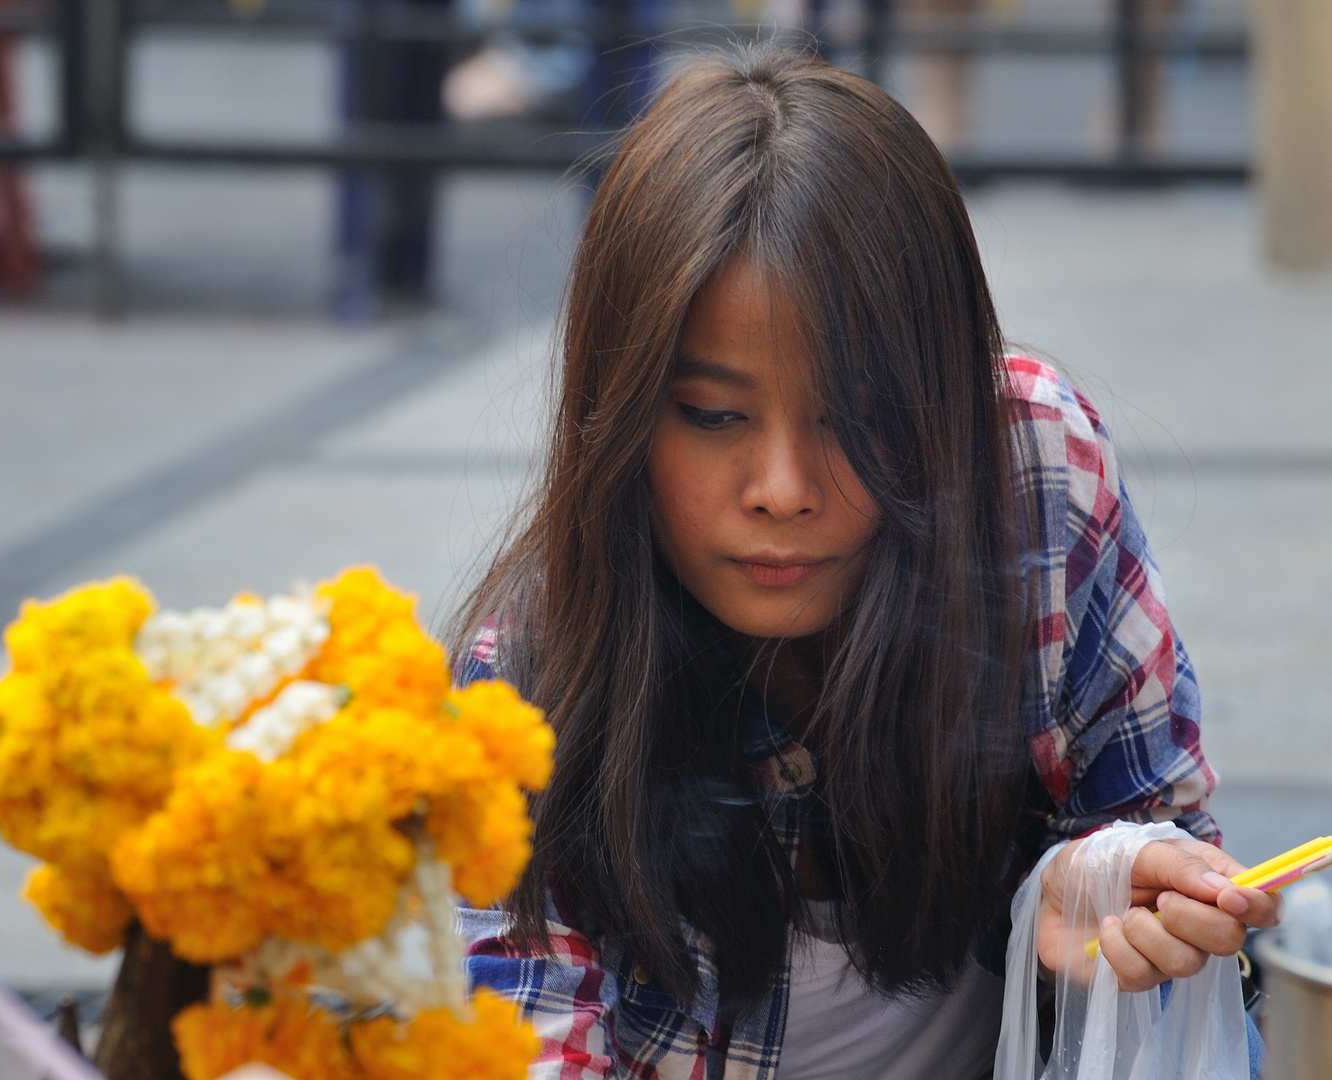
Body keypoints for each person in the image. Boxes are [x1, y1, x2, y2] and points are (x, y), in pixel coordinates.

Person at [451, 45, 1277, 1078]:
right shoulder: (523, 685)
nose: (783, 486)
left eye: (860, 414)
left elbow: (1164, 844)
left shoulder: (1031, 472)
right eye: (713, 415)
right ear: (613, 420)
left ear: (936, 395)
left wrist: (1094, 900)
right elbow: (527, 1044)